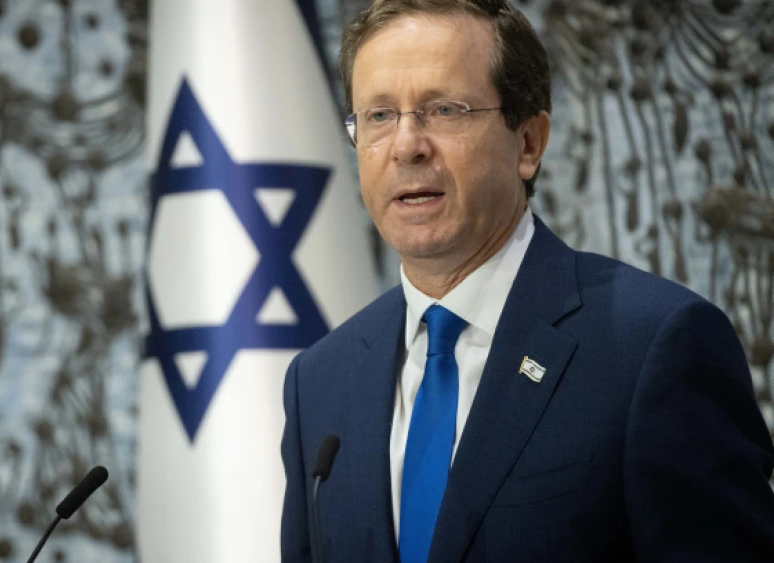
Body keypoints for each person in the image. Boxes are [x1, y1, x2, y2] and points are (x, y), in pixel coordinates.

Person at [279, 0, 774, 561]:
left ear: (529, 143)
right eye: (378, 116)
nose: (406, 145)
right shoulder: (320, 381)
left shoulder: (653, 347)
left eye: (444, 110)